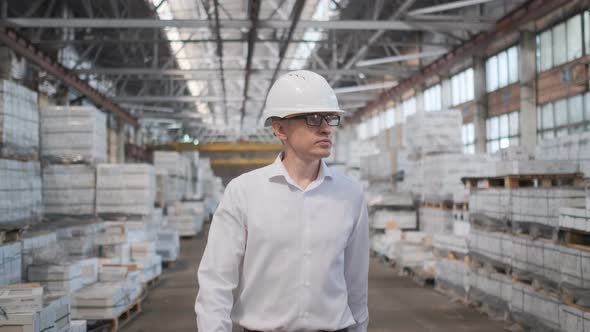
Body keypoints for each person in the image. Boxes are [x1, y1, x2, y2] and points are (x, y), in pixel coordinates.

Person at [195, 70, 369, 332]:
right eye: (313, 119)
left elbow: (356, 283)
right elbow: (216, 283)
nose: (325, 128)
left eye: (330, 118)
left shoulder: (350, 195)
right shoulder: (244, 192)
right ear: (279, 129)